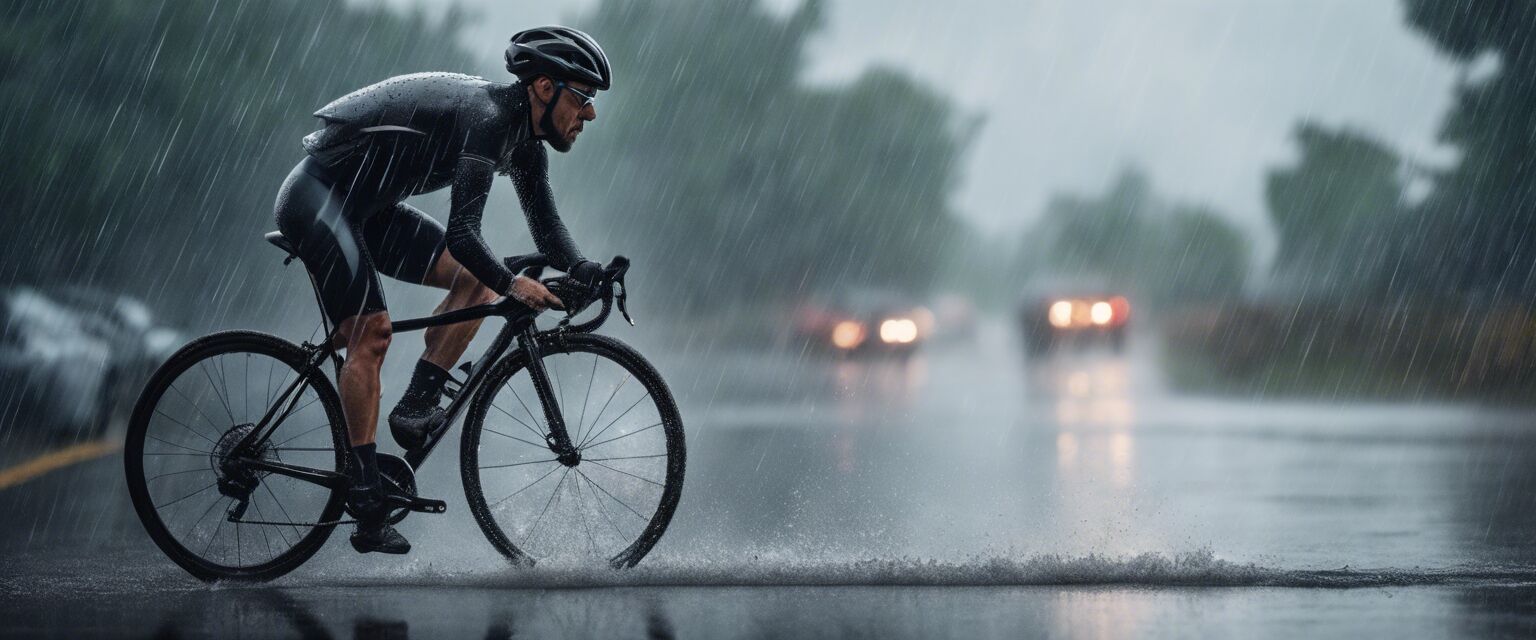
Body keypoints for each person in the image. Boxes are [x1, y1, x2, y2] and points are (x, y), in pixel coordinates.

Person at [271, 26, 611, 555]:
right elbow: (463, 233)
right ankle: (363, 496)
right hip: (318, 198)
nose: (589, 115)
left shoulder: (523, 145)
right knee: (371, 334)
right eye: (583, 99)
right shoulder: (489, 119)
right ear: (544, 88)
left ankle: (414, 407)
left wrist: (588, 270)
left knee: (474, 278)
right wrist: (513, 284)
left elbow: (546, 230)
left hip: (365, 207)